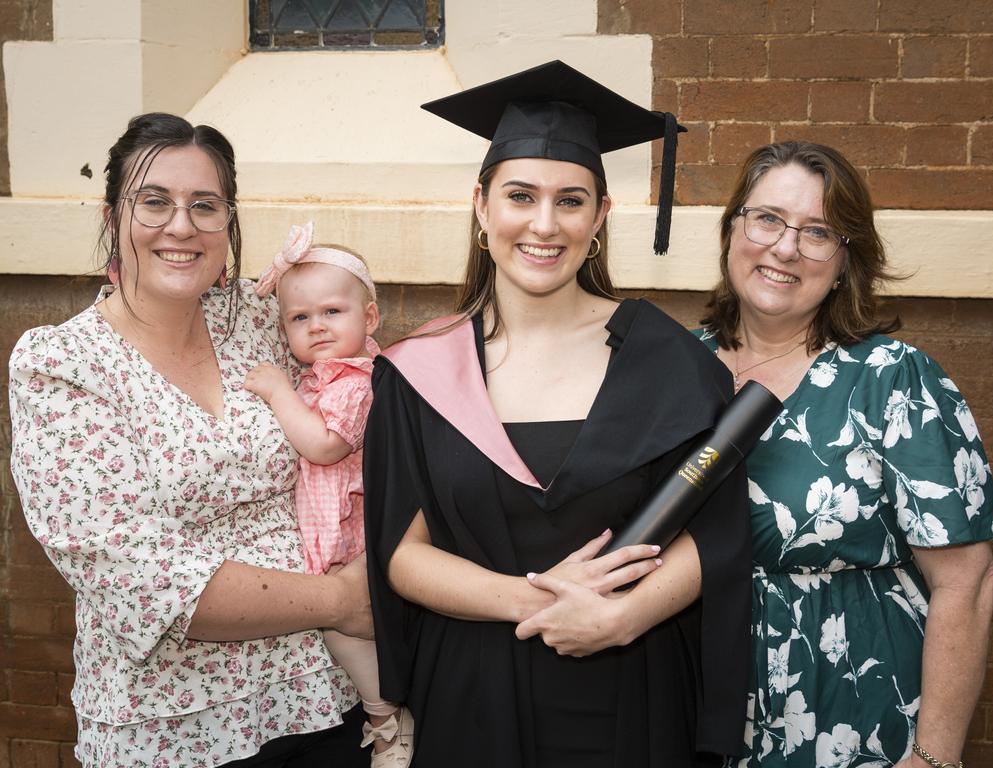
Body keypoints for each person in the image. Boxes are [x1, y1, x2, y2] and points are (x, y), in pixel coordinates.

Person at [363, 60, 752, 768]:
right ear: (481, 207)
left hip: (633, 689)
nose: (544, 224)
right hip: (476, 694)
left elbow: (718, 533)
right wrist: (533, 600)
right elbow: (402, 555)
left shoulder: (668, 361)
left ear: (600, 217)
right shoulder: (419, 371)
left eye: (570, 200)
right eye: (520, 196)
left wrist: (620, 613)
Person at [8, 113, 373, 767]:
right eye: (154, 202)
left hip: (323, 698)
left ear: (228, 226)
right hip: (175, 729)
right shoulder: (63, 364)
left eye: (205, 206)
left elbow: (364, 405)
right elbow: (137, 576)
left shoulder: (265, 322)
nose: (181, 226)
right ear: (111, 215)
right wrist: (345, 599)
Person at [697, 140, 993, 768]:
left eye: (818, 232)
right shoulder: (678, 367)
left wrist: (934, 757)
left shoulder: (892, 381)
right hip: (698, 699)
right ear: (734, 228)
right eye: (768, 219)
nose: (785, 247)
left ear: (845, 261)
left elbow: (966, 582)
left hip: (852, 708)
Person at [244, 222, 413, 767]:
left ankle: (387, 717)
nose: (316, 326)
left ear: (369, 319)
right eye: (299, 317)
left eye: (332, 312)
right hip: (331, 530)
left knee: (343, 632)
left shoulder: (355, 382)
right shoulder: (321, 379)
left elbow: (322, 446)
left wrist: (274, 390)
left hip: (354, 534)